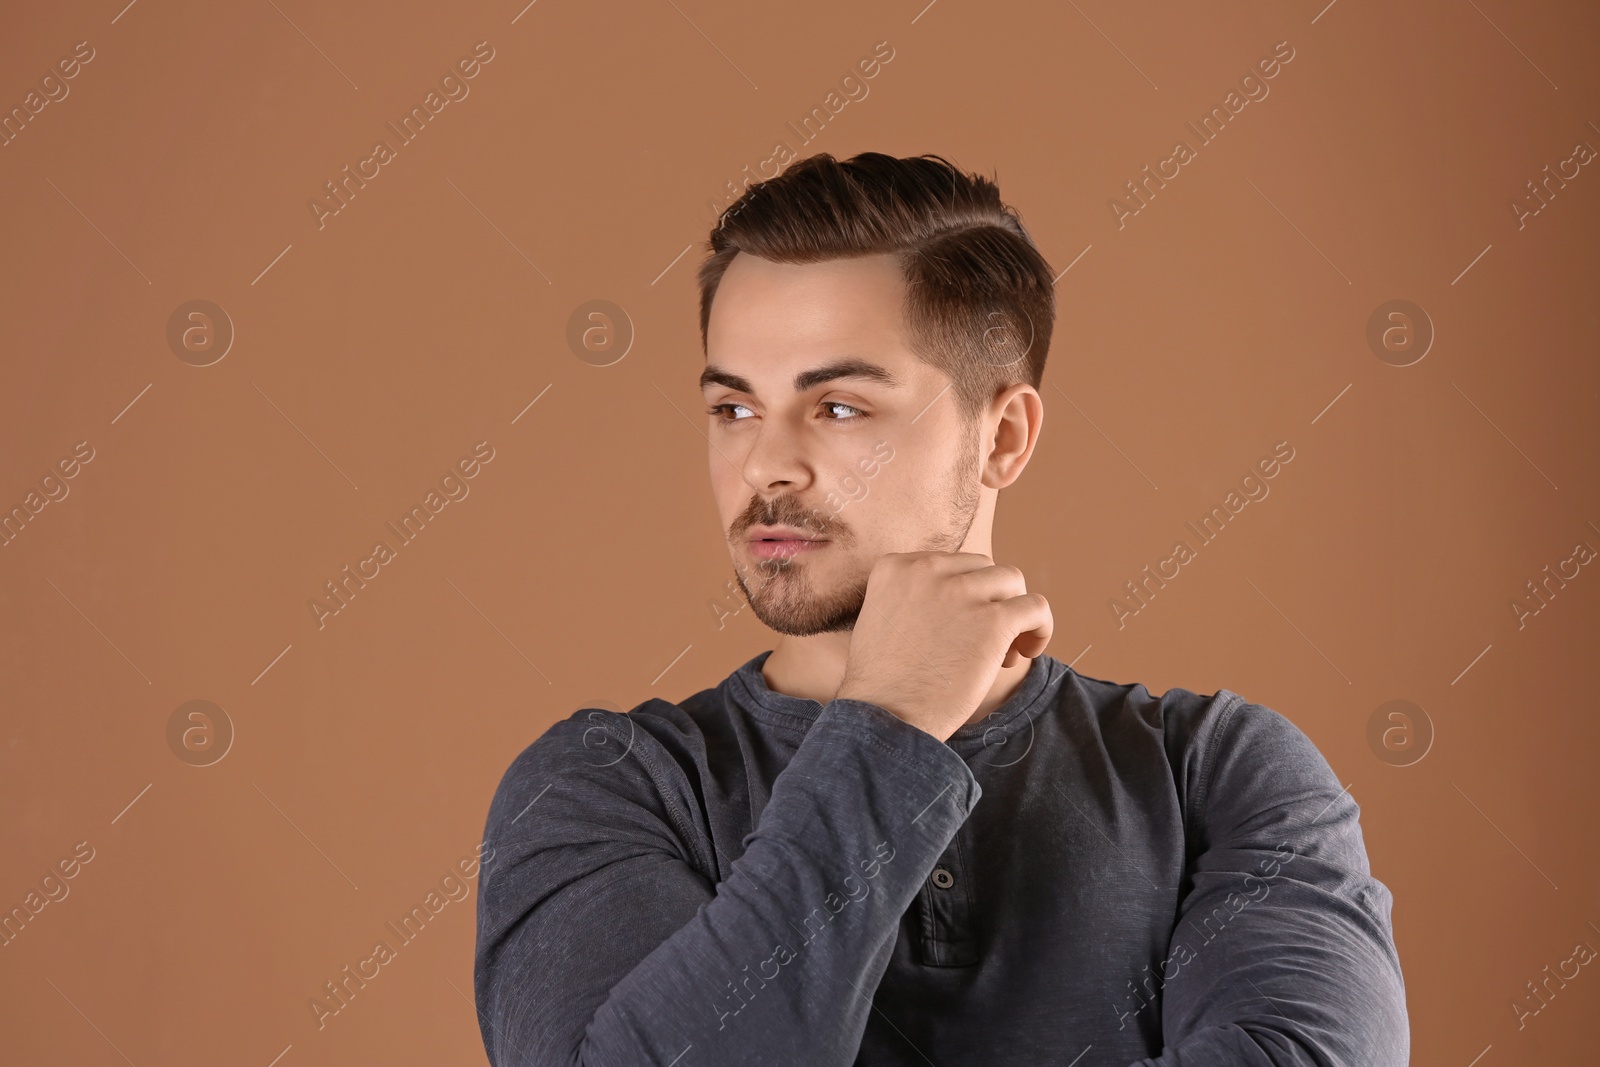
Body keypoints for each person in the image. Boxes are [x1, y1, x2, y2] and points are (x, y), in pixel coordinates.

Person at [473, 151, 1408, 1065]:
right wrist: (890, 723)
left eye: (838, 408)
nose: (764, 465)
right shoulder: (605, 785)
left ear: (1002, 436)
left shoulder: (1219, 774)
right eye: (734, 409)